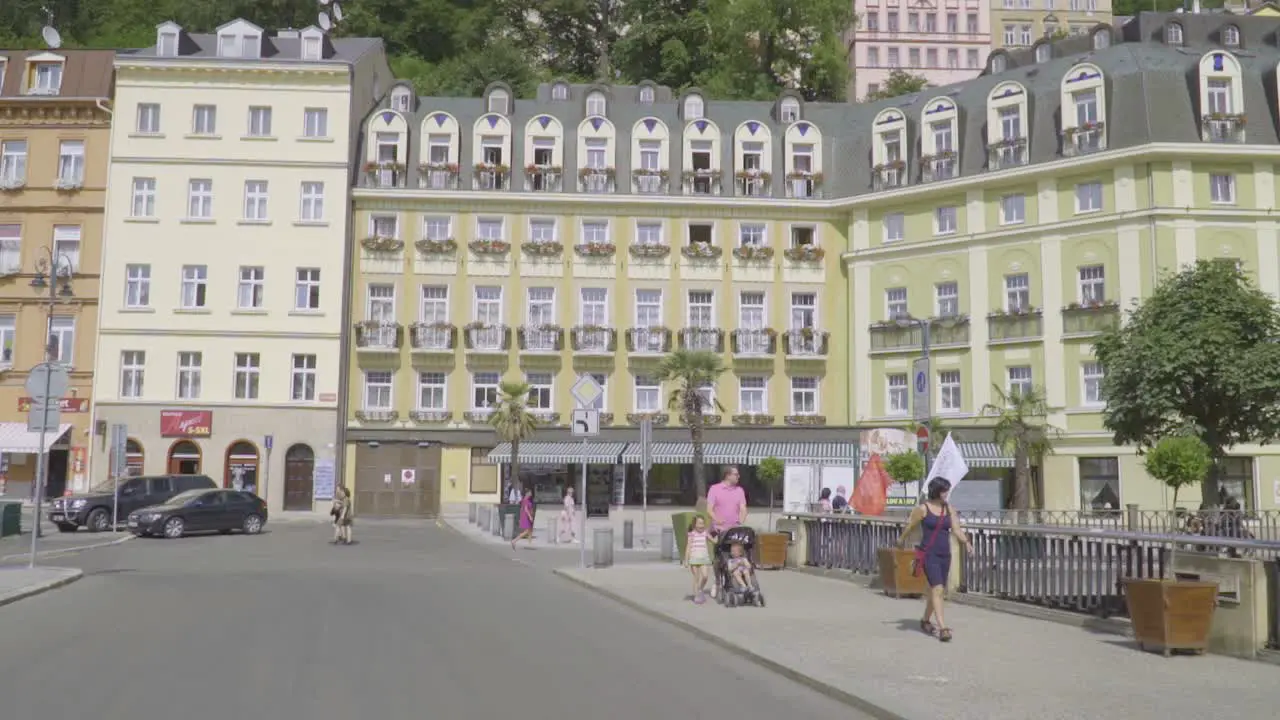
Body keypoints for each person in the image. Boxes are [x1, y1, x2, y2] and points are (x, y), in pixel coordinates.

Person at [897, 477, 972, 642]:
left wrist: (966, 542)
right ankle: (943, 628)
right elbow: (910, 526)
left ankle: (925, 620)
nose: (947, 493)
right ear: (937, 491)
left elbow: (957, 529)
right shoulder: (923, 509)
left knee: (937, 590)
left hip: (945, 554)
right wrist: (901, 540)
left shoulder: (949, 509)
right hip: (929, 554)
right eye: (944, 490)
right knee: (937, 589)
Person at [706, 466, 748, 536]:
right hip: (718, 530)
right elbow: (709, 510)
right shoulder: (714, 489)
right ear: (728, 476)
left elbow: (743, 509)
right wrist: (716, 520)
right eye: (736, 474)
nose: (739, 476)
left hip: (734, 531)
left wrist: (740, 523)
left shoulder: (740, 490)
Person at [683, 514, 713, 603]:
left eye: (703, 523)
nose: (701, 525)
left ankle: (700, 588)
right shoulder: (692, 534)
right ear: (694, 525)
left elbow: (713, 540)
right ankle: (696, 596)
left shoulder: (705, 533)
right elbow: (688, 547)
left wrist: (718, 538)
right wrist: (686, 560)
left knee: (705, 576)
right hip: (694, 558)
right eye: (699, 523)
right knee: (696, 577)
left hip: (704, 558)